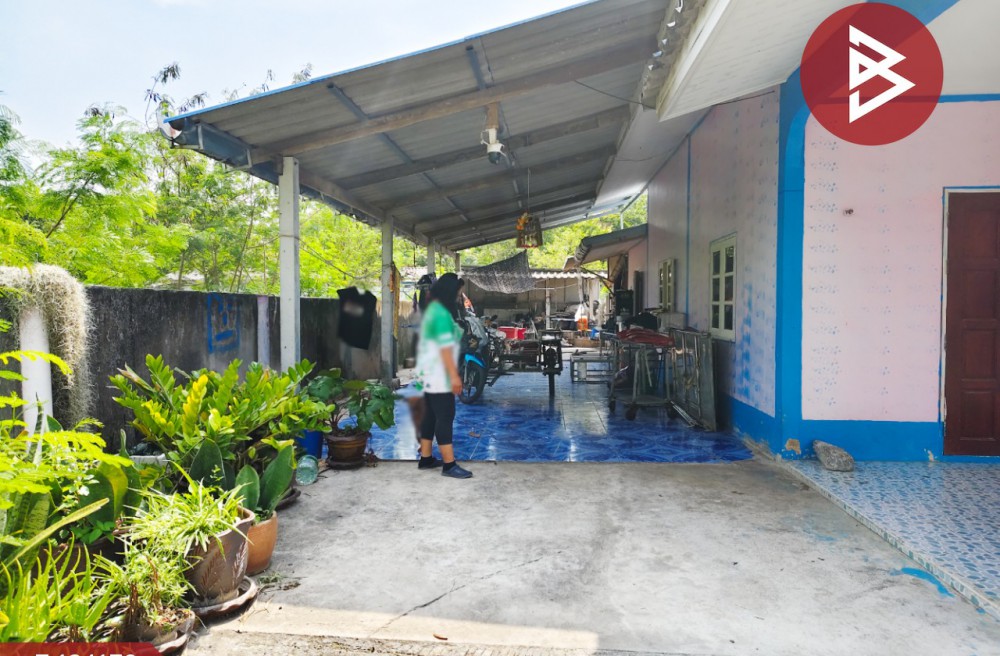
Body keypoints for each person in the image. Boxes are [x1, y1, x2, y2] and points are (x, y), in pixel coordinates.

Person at [413, 273, 473, 479]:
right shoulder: (440, 314)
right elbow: (445, 349)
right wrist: (454, 377)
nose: (458, 297)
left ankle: (426, 458)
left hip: (428, 371)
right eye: (457, 293)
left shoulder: (433, 309)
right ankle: (449, 465)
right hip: (439, 373)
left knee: (430, 414)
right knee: (445, 415)